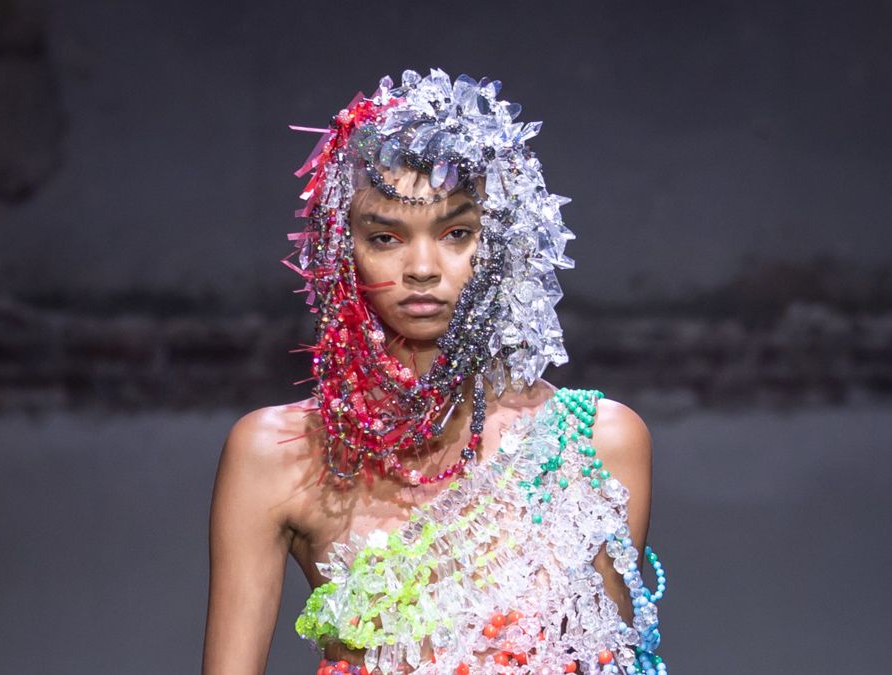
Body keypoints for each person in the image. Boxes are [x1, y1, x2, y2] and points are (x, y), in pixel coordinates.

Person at [202, 68, 667, 675]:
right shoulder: (277, 454)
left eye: (455, 233)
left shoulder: (592, 445)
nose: (422, 266)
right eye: (386, 237)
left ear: (501, 243)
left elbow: (608, 660)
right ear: (344, 250)